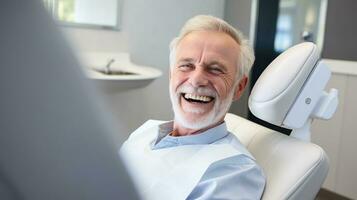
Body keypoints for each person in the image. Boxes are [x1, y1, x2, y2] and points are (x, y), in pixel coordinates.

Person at [120, 15, 266, 200]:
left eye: (215, 69)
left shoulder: (235, 170)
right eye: (186, 65)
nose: (196, 80)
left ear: (238, 87)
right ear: (172, 75)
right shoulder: (145, 131)